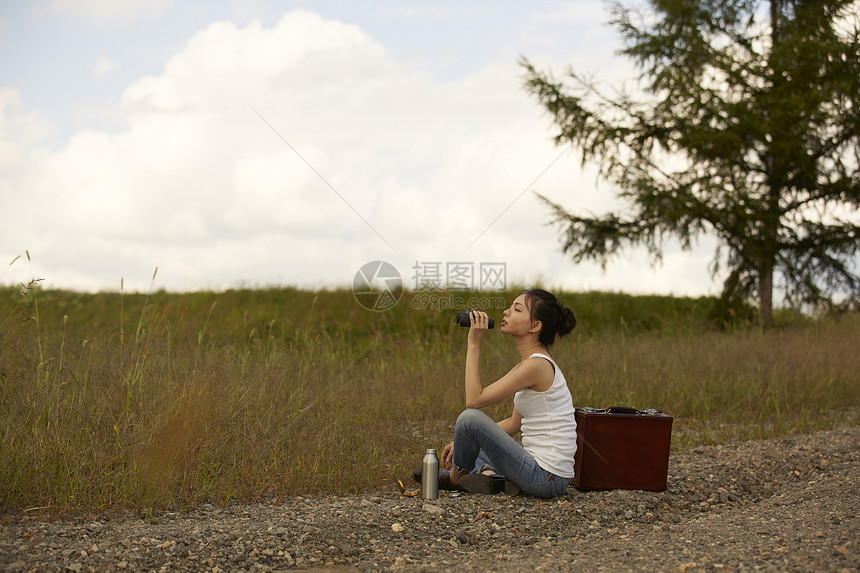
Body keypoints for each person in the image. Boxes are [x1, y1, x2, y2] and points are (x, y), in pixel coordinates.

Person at [425, 288, 578, 498]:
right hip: (544, 474)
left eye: (517, 309)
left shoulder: (536, 366)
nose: (506, 312)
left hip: (545, 477)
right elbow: (514, 424)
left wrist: (474, 342)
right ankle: (491, 477)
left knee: (469, 419)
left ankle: (454, 480)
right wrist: (464, 443)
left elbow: (473, 400)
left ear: (535, 325)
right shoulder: (534, 363)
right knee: (474, 449)